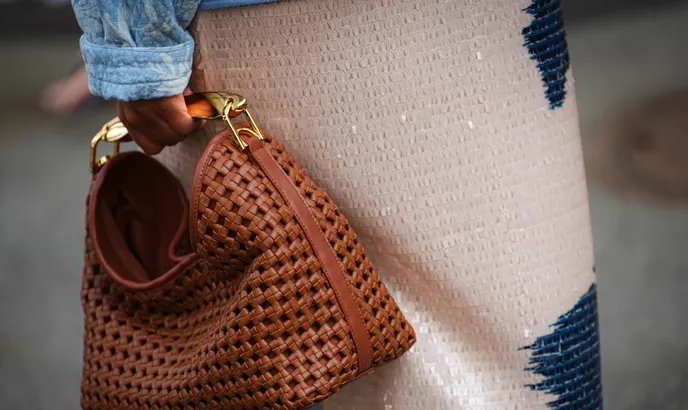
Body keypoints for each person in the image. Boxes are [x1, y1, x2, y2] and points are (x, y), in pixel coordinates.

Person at [73, 0, 603, 409]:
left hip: (500, 34)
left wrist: (136, 50)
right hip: (313, 35)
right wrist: (138, 47)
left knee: (537, 357)